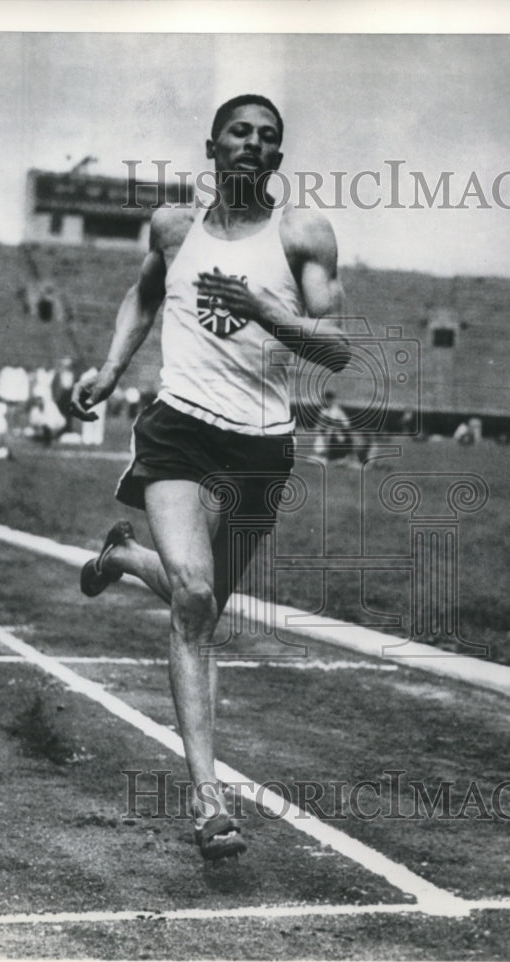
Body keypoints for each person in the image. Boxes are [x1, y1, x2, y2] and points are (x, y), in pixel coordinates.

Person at [70, 94, 350, 862]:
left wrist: (264, 308)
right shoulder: (171, 226)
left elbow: (333, 349)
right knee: (194, 601)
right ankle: (208, 801)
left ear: (277, 159)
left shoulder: (301, 234)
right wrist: (108, 368)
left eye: (267, 138)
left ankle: (123, 558)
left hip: (259, 446)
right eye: (240, 133)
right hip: (179, 429)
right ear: (213, 147)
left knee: (205, 597)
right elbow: (145, 292)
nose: (252, 145)